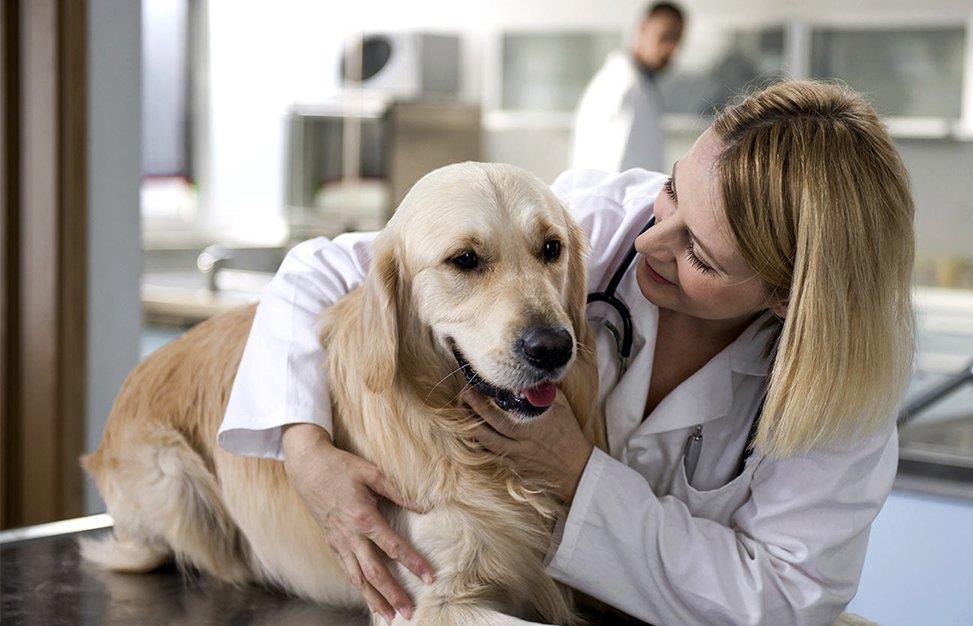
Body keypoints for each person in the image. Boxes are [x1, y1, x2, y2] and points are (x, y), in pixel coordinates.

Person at [219, 80, 916, 624]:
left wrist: (576, 471)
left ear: (787, 296)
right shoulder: (594, 219)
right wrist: (304, 450)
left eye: (698, 253)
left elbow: (783, 604)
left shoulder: (843, 396)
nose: (649, 242)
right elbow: (323, 270)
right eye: (670, 192)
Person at [569, 2, 684, 173]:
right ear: (642, 30)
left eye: (677, 41)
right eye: (664, 37)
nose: (670, 49)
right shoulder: (625, 87)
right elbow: (615, 170)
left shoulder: (639, 84)